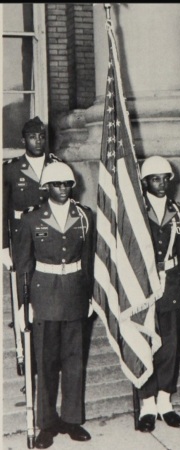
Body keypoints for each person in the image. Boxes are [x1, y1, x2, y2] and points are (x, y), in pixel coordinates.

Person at [16, 162, 94, 449]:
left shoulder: (85, 217)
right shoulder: (31, 219)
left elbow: (88, 260)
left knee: (74, 360)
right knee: (46, 362)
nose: (62, 189)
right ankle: (46, 424)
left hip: (75, 292)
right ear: (46, 187)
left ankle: (73, 419)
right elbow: (24, 265)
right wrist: (24, 305)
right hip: (44, 294)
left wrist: (90, 295)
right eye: (57, 184)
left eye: (67, 184)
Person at [136, 155, 180, 433]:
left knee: (169, 346)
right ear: (144, 182)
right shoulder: (134, 212)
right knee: (145, 346)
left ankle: (165, 402)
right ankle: (146, 405)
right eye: (155, 179)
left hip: (170, 284)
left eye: (165, 178)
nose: (161, 184)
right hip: (142, 286)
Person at [2, 116, 62, 269]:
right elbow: (2, 212)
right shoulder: (10, 169)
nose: (38, 141)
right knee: (25, 286)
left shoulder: (56, 166)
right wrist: (3, 248)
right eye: (32, 137)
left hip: (52, 237)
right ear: (23, 141)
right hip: (22, 239)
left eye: (41, 137)